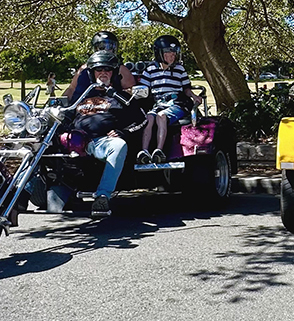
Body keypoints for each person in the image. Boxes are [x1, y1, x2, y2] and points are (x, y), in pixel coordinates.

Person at [67, 50, 146, 217]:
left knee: (118, 145)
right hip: (73, 139)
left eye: (107, 69)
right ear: (92, 73)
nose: (103, 73)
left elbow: (142, 120)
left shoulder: (122, 97)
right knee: (38, 142)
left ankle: (102, 196)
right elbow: (64, 113)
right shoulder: (82, 95)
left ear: (114, 73)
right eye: (99, 69)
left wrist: (123, 132)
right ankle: (20, 195)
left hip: (100, 143)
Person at [136, 35, 203, 164]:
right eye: (168, 52)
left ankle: (159, 150)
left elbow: (186, 89)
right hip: (158, 103)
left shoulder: (180, 69)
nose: (172, 55)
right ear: (159, 53)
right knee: (149, 118)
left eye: (174, 52)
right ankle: (144, 151)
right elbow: (143, 90)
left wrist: (194, 96)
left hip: (176, 103)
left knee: (161, 116)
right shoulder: (150, 70)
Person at [64, 31, 136, 103]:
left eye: (109, 47)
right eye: (101, 47)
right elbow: (71, 89)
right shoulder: (84, 68)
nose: (105, 50)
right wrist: (59, 102)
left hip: (110, 109)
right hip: (82, 109)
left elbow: (131, 92)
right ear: (95, 48)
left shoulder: (120, 68)